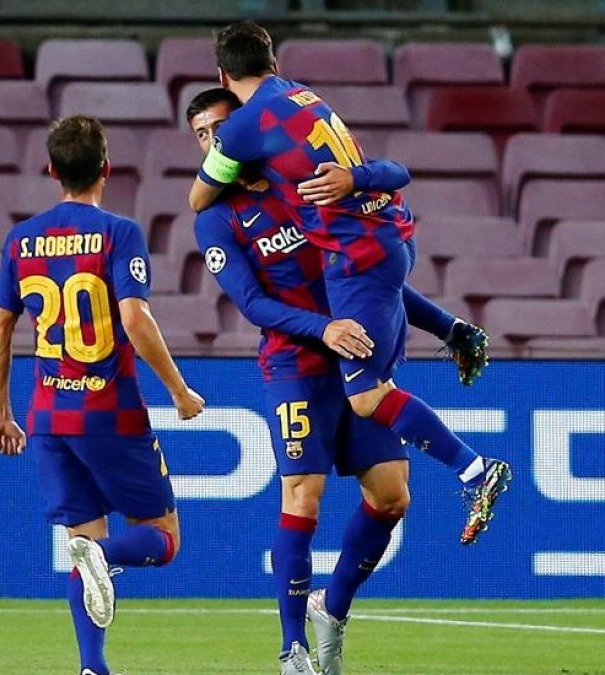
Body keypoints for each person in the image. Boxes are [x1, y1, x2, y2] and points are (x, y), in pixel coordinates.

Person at [187, 87, 480, 675]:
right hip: (296, 365)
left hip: (357, 360)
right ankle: (292, 648)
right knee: (303, 495)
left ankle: (332, 609)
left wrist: (446, 327)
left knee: (393, 495)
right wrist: (324, 329)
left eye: (223, 125)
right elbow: (251, 304)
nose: (216, 139)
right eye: (203, 135)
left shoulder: (303, 186)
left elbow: (376, 277)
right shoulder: (216, 219)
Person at [190, 22, 510, 547]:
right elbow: (390, 170)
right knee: (366, 420)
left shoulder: (246, 130)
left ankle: (474, 471)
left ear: (223, 74)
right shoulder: (306, 99)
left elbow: (198, 198)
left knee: (365, 400)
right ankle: (458, 343)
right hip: (384, 235)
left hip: (355, 252)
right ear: (273, 61)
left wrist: (224, 157)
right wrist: (448, 327)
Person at [0, 115, 205, 675]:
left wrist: (1, 414)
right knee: (162, 537)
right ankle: (101, 558)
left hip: (48, 419)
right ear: (106, 167)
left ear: (51, 169)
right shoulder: (119, 232)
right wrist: (179, 391)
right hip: (109, 411)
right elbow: (134, 318)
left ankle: (92, 666)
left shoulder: (21, 238)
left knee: (83, 539)